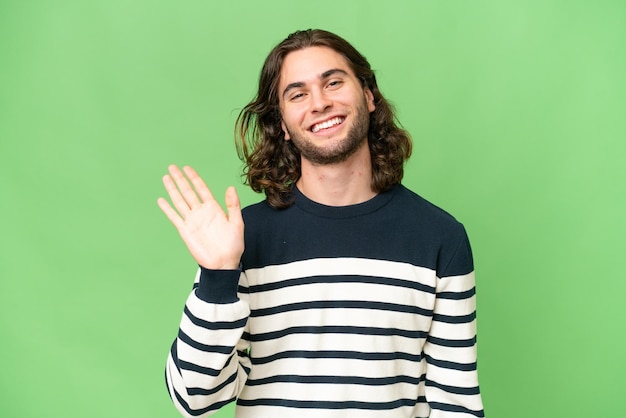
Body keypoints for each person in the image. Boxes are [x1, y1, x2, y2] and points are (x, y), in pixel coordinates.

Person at [158, 29, 485, 418]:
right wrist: (217, 277)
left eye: (333, 82)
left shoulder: (440, 237)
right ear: (282, 122)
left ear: (369, 96)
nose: (320, 103)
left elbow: (456, 403)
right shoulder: (240, 239)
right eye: (297, 94)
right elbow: (194, 398)